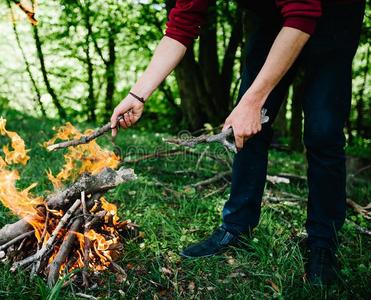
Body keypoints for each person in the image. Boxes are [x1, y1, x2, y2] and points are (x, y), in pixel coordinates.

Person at [109, 0, 365, 285]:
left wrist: (253, 101)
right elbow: (181, 26)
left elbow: (303, 14)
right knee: (246, 129)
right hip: (273, 16)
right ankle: (237, 227)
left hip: (335, 13)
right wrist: (137, 95)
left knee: (323, 131)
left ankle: (322, 243)